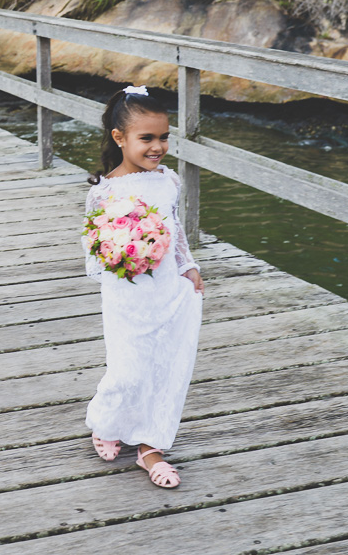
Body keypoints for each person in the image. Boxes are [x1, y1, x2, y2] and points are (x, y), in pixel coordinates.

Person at [83, 86, 204, 488]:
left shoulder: (167, 180)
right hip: (127, 295)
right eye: (147, 138)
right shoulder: (106, 191)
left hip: (167, 290)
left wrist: (188, 266)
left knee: (168, 365)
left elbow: (176, 229)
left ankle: (152, 446)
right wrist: (121, 254)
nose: (158, 146)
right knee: (128, 369)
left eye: (163, 137)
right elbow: (94, 246)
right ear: (120, 138)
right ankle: (106, 422)